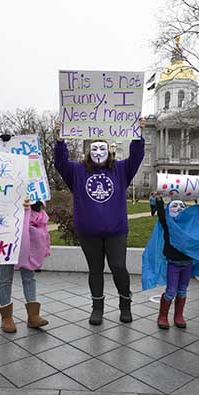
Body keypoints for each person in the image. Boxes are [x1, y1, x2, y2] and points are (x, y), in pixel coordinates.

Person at [54, 126, 145, 325]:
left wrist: (138, 137)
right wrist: (60, 142)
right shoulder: (77, 172)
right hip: (88, 231)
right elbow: (60, 163)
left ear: (109, 151)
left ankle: (125, 303)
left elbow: (136, 157)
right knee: (95, 269)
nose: (98, 153)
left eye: (102, 149)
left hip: (116, 230)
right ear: (88, 152)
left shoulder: (120, 170)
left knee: (118, 266)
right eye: (94, 150)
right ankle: (97, 307)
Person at [142, 193, 199, 329]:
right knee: (171, 291)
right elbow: (161, 212)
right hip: (173, 264)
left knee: (182, 291)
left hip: (187, 264)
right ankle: (163, 316)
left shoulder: (190, 225)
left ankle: (179, 316)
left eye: (181, 206)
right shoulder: (167, 224)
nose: (178, 208)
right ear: (168, 210)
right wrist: (159, 199)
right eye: (174, 205)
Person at [0, 199, 51, 333]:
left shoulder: (34, 184)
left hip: (29, 236)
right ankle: (6, 317)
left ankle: (33, 315)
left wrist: (32, 205)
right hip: (8, 231)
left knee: (29, 276)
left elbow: (40, 199)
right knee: (5, 277)